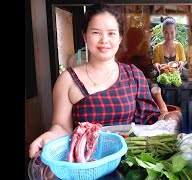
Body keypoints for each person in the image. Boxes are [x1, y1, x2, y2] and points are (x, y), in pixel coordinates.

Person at [29, 4, 161, 158]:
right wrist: (50, 136)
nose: (104, 40)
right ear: (85, 36)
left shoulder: (134, 75)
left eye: (111, 33)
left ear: (120, 38)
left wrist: (167, 119)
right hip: (87, 161)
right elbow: (62, 127)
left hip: (130, 160)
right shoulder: (67, 80)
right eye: (96, 32)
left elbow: (149, 122)